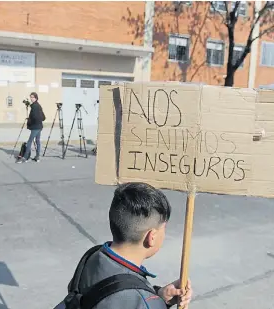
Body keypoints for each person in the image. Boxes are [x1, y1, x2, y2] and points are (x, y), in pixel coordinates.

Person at [60, 183, 192, 309]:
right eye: (164, 228)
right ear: (151, 237)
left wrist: (159, 298)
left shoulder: (92, 255)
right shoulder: (142, 300)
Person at [17, 92, 45, 163]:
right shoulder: (37, 105)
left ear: (36, 97)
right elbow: (43, 117)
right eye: (30, 97)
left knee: (29, 142)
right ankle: (37, 157)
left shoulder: (35, 106)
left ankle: (25, 157)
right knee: (37, 141)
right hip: (39, 126)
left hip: (35, 127)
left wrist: (30, 120)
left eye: (32, 97)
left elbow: (36, 117)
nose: (31, 98)